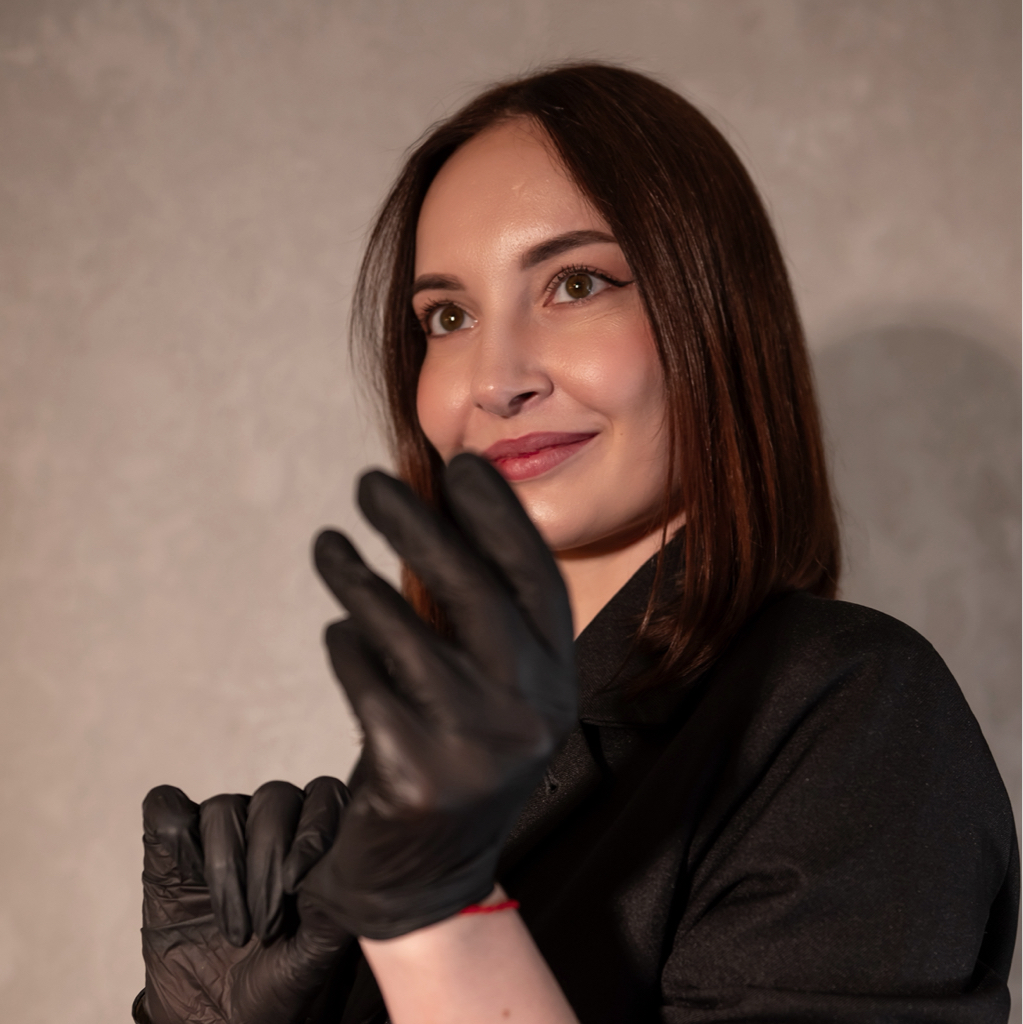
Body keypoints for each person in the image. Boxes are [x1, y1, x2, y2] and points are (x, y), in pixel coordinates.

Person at [134, 63, 1018, 1024]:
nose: (495, 379)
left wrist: (437, 913)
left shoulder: (852, 712)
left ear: (713, 318)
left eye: (575, 283)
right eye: (448, 316)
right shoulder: (439, 768)